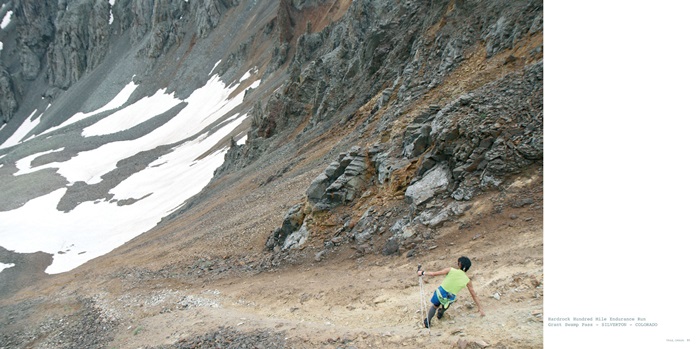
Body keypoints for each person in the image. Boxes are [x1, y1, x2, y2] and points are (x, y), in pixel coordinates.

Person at [418, 256, 485, 327]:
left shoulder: (451, 270)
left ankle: (427, 321)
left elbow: (434, 274)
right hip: (450, 297)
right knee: (446, 305)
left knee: (434, 306)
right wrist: (480, 308)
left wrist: (422, 273)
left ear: (459, 264)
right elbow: (473, 294)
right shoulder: (467, 280)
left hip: (441, 292)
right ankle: (441, 312)